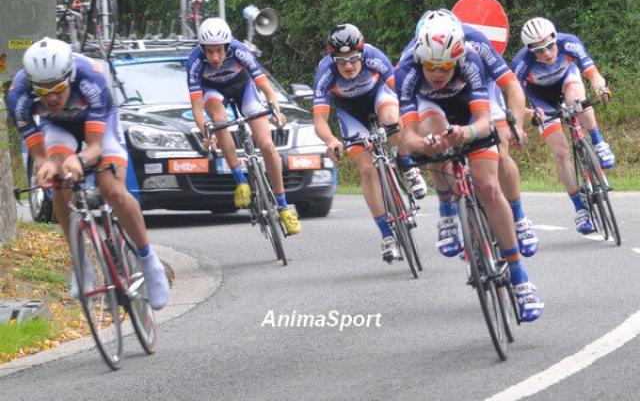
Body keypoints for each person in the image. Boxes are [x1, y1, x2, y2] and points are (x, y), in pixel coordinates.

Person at [396, 12, 543, 321]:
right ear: (420, 57)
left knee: (489, 184)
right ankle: (448, 209)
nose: (438, 72)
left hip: (477, 103)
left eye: (446, 65)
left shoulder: (473, 55)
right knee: (434, 138)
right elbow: (406, 137)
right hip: (431, 106)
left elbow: (485, 116)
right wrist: (425, 145)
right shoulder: (407, 70)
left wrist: (498, 127)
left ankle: (519, 278)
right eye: (431, 66)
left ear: (457, 57)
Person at [7, 38, 169, 310]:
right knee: (59, 182)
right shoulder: (17, 95)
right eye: (43, 92)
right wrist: (45, 165)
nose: (51, 97)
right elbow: (39, 155)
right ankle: (80, 263)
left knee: (112, 189)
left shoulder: (90, 77)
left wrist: (78, 159)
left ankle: (149, 262)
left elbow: (94, 149)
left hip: (100, 126)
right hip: (57, 127)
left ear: (69, 76)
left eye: (58, 88)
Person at [312, 23, 427, 264]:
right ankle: (386, 235)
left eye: (354, 59)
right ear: (332, 59)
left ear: (362, 53)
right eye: (341, 61)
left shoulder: (374, 56)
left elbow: (402, 93)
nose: (349, 66)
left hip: (378, 96)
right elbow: (320, 120)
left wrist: (414, 117)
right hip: (350, 113)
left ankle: (407, 166)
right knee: (367, 169)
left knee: (391, 119)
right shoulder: (325, 72)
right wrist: (332, 140)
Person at [187, 17, 301, 235]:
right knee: (218, 121)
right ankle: (241, 180)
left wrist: (275, 106)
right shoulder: (194, 61)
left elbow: (264, 85)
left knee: (267, 145)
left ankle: (284, 207)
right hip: (213, 93)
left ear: (227, 46)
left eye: (219, 50)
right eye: (209, 52)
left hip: (242, 87)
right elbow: (196, 107)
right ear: (202, 49)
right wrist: (206, 131)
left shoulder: (239, 50)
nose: (214, 57)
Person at [512, 17, 613, 234]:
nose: (547, 53)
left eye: (550, 46)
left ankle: (598, 143)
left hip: (567, 81)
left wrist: (600, 90)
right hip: (540, 99)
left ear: (556, 39)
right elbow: (516, 101)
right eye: (539, 51)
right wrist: (529, 116)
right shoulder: (522, 63)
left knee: (577, 100)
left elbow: (593, 74)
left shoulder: (569, 43)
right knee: (560, 152)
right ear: (530, 51)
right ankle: (580, 209)